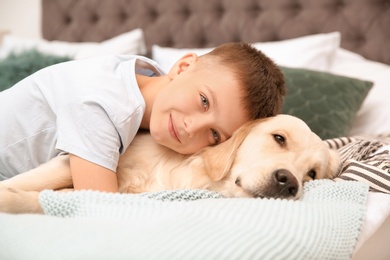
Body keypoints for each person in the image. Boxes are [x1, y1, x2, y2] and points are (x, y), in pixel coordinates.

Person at [0, 42, 285, 192]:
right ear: (183, 66)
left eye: (214, 135)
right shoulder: (100, 104)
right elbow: (98, 210)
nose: (191, 127)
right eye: (204, 101)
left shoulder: (145, 80)